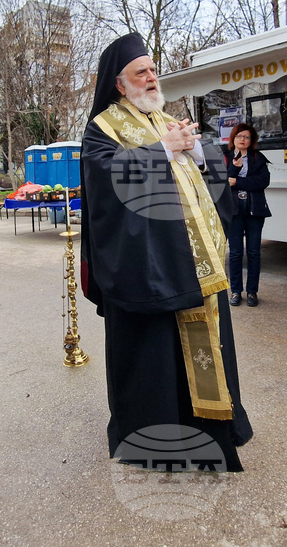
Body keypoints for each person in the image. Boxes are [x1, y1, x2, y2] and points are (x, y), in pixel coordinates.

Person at [80, 33, 253, 472]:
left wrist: (196, 149)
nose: (152, 77)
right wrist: (161, 152)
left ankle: (215, 428)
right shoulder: (104, 127)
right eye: (142, 72)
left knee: (207, 349)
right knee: (157, 356)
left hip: (198, 268)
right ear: (120, 84)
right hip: (152, 269)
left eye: (153, 69)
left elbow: (211, 179)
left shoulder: (165, 119)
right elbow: (105, 184)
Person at [226, 123, 271, 308]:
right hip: (234, 210)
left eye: (246, 137)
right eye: (239, 136)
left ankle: (252, 291)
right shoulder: (226, 157)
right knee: (235, 253)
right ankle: (236, 291)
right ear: (233, 138)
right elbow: (223, 182)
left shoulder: (257, 158)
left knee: (253, 252)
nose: (242, 139)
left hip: (255, 210)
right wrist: (235, 170)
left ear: (251, 141)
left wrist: (238, 181)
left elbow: (263, 181)